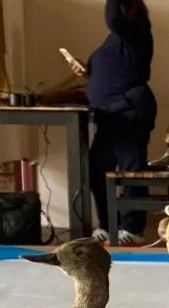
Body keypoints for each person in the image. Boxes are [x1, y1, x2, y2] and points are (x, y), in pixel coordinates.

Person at [66, 0, 156, 246]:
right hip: (110, 113)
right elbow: (114, 71)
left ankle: (134, 229)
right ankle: (109, 224)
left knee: (131, 168)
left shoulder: (137, 28)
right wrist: (86, 71)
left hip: (129, 110)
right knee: (96, 168)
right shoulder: (115, 40)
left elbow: (113, 18)